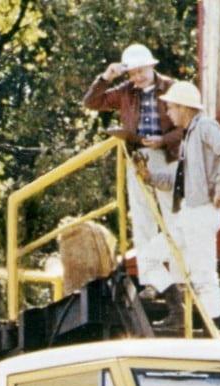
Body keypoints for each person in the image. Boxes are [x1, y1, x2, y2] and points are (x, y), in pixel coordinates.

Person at [83, 44, 182, 297]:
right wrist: (106, 78)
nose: (137, 77)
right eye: (132, 73)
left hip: (169, 157)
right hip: (138, 156)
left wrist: (164, 140)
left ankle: (179, 278)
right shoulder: (127, 91)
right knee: (142, 220)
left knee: (173, 218)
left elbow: (190, 124)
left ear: (152, 66)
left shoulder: (172, 88)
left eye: (141, 71)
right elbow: (92, 102)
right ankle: (154, 282)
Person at [141, 81, 220, 321]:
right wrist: (150, 177)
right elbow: (180, 180)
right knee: (149, 257)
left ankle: (211, 328)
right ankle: (178, 310)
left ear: (184, 108)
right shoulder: (189, 137)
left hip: (202, 213)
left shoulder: (205, 126)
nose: (168, 114)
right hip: (189, 214)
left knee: (203, 277)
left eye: (171, 108)